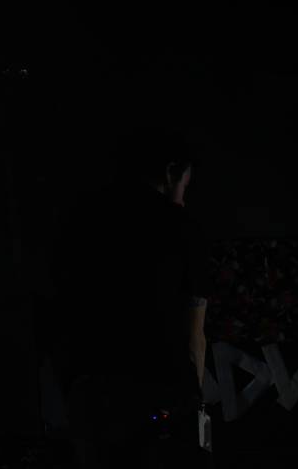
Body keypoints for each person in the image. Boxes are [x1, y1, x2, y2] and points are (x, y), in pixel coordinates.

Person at [50, 127, 211, 468]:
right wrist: (193, 401)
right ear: (171, 173)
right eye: (184, 185)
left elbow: (59, 311)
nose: (183, 196)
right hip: (163, 391)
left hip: (95, 394)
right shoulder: (182, 227)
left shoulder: (82, 219)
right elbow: (194, 332)